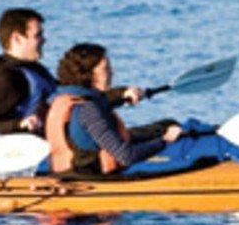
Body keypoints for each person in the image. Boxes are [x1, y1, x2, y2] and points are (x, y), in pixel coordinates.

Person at [38, 43, 185, 176]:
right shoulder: (88, 110)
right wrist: (164, 141)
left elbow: (103, 100)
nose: (112, 72)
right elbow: (126, 156)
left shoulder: (63, 98)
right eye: (106, 69)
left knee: (161, 125)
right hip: (91, 181)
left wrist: (123, 94)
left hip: (66, 176)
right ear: (88, 75)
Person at [0, 6, 55, 136]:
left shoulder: (35, 68)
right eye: (38, 35)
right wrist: (19, 124)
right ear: (17, 39)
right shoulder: (7, 78)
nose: (44, 40)